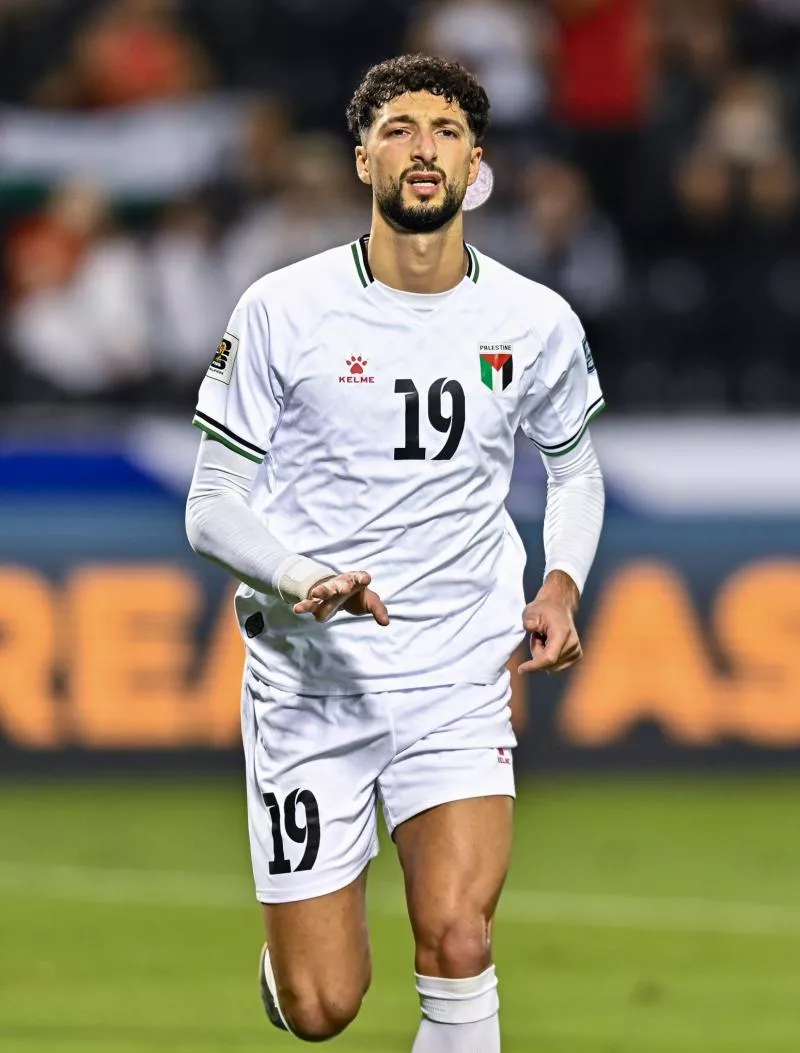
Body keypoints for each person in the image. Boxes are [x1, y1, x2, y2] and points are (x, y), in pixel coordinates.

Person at [185, 54, 605, 1052]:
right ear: (363, 155)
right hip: (310, 675)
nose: (424, 148)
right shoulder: (283, 309)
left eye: (446, 131)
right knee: (324, 1007)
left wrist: (558, 584)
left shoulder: (530, 319)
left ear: (475, 165)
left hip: (456, 669)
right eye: (401, 129)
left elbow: (573, 471)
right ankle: (295, 970)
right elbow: (211, 505)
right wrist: (301, 579)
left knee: (458, 938)